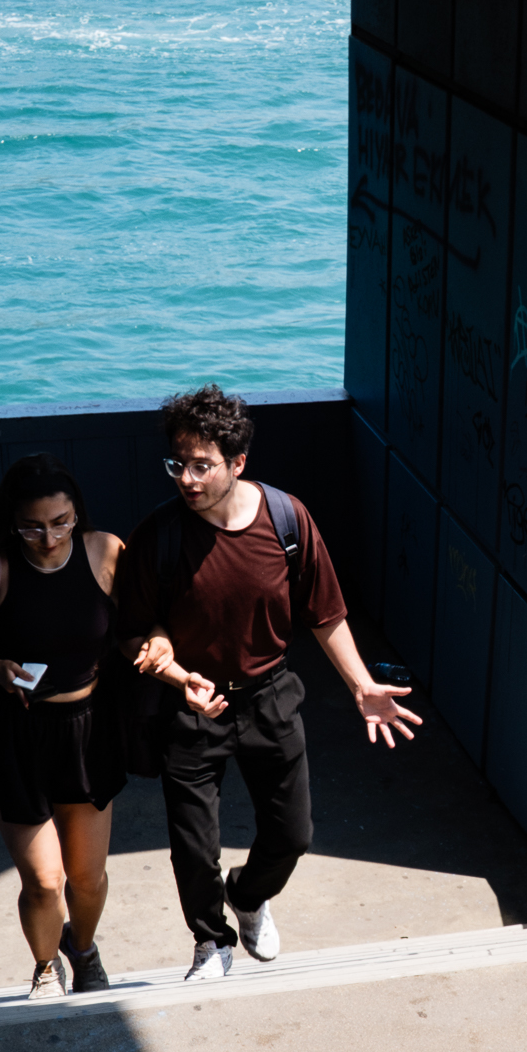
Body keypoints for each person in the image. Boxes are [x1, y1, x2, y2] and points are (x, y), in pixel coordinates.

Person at [115, 383, 422, 982]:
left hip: (269, 695)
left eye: (201, 466)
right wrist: (172, 670)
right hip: (192, 706)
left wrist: (361, 686)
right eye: (177, 464)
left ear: (237, 462)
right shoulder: (160, 535)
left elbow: (325, 614)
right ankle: (211, 942)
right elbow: (131, 633)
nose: (186, 480)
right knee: (193, 847)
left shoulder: (287, 519)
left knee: (292, 834)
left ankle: (248, 895)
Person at [0, 454, 129, 1000]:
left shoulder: (106, 551)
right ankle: (46, 968)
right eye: (33, 527)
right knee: (45, 881)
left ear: (77, 512)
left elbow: (139, 621)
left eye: (61, 522)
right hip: (14, 735)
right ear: (11, 522)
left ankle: (82, 949)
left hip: (86, 731)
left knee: (87, 878)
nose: (49, 538)